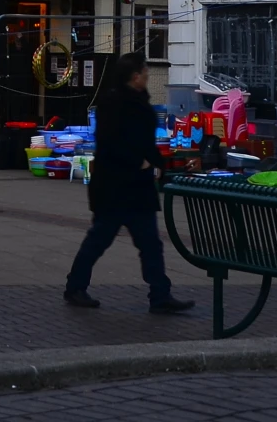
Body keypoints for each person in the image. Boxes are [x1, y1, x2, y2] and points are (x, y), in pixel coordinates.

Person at [62, 51, 195, 314]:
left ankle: (160, 295)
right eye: (145, 72)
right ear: (135, 77)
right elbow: (115, 144)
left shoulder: (134, 102)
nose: (147, 75)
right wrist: (144, 162)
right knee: (101, 239)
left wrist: (160, 163)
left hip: (131, 188)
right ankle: (75, 287)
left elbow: (143, 143)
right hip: (117, 187)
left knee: (148, 243)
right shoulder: (116, 104)